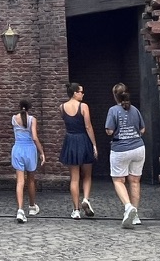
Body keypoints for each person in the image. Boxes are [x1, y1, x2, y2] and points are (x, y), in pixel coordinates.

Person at [106, 83, 147, 228]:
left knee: (118, 180)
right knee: (135, 181)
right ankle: (135, 216)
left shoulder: (113, 110)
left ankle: (128, 207)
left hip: (120, 149)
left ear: (114, 95)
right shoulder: (135, 109)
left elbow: (109, 131)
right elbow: (143, 129)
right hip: (138, 147)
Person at [59, 82, 97, 219]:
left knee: (74, 178)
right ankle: (86, 199)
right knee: (87, 175)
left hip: (70, 140)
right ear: (75, 93)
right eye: (81, 92)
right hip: (83, 139)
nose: (83, 94)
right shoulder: (83, 106)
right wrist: (94, 144)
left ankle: (76, 210)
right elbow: (88, 126)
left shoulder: (62, 107)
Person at [11, 98, 46, 223]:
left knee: (20, 181)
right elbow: (35, 137)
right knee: (31, 179)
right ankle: (32, 206)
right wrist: (41, 152)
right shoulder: (32, 119)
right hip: (30, 149)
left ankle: (20, 210)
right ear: (29, 108)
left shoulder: (14, 119)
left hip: (18, 149)